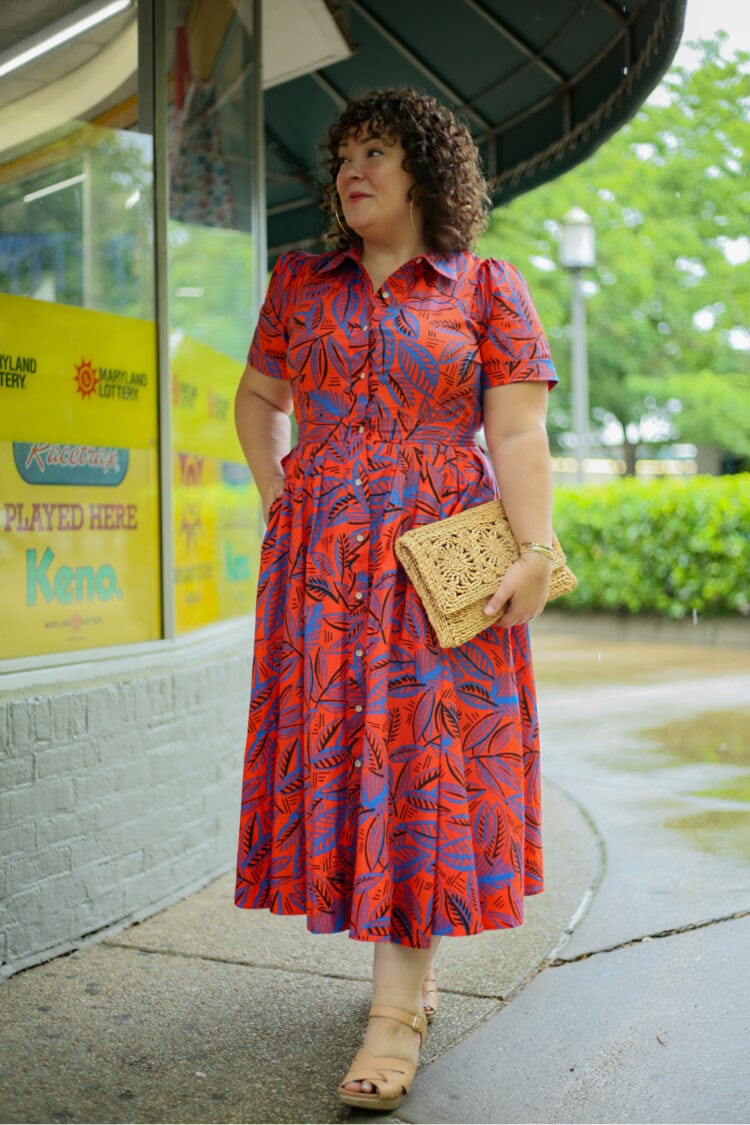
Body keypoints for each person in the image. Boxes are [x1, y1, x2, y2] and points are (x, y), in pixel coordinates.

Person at [234, 87, 558, 1112]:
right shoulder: (300, 282)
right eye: (341, 157)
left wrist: (536, 551)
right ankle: (394, 977)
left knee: (421, 764)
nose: (351, 170)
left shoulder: (488, 288)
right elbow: (257, 399)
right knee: (347, 753)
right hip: (324, 567)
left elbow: (514, 433)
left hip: (439, 563)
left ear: (427, 168)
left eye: (375, 150)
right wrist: (286, 499)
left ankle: (397, 1011)